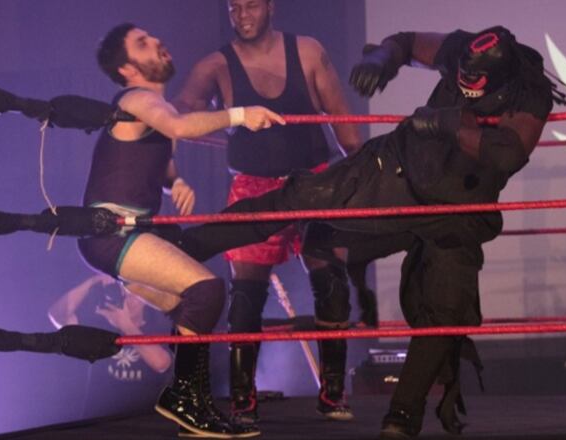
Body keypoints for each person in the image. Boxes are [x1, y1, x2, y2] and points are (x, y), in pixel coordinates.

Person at [177, 25, 566, 438]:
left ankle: (403, 416)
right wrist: (384, 58)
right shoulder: (461, 50)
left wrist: (450, 124)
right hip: (398, 171)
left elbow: (507, 153)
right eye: (461, 79)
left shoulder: (530, 91)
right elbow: (409, 42)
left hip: (459, 209)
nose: (464, 86)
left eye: (474, 84)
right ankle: (190, 243)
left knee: (447, 308)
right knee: (302, 196)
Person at [81, 23, 283, 438]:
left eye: (152, 36)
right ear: (127, 69)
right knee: (206, 291)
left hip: (123, 233)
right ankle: (184, 400)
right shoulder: (136, 99)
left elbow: (158, 150)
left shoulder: (156, 108)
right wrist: (242, 115)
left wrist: (176, 182)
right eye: (143, 43)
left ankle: (193, 409)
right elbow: (176, 128)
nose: (157, 41)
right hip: (112, 232)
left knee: (189, 307)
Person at [174, 0, 363, 423]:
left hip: (314, 182)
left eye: (251, 4)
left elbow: (340, 115)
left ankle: (334, 393)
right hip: (253, 187)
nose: (242, 14)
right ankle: (243, 400)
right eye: (233, 7)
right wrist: (217, 117)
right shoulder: (216, 66)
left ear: (270, 6)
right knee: (245, 296)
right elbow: (178, 113)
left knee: (331, 283)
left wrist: (362, 174)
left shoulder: (308, 51)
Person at [47, 274, 173, 417]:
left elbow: (161, 363)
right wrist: (93, 280)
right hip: (98, 416)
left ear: (145, 299)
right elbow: (57, 316)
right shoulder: (99, 324)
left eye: (133, 294)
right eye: (123, 292)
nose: (128, 299)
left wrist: (126, 325)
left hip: (143, 419)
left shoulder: (159, 327)